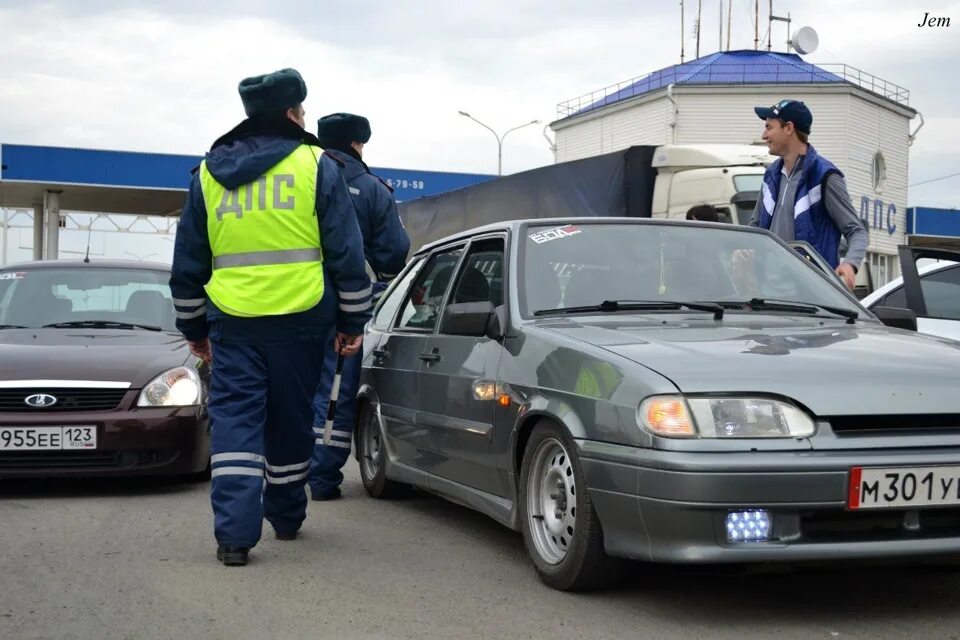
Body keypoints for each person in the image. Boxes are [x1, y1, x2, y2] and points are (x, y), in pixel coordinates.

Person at [169, 68, 372, 567]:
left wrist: (194, 330)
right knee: (290, 419)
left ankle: (234, 539)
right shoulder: (317, 167)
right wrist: (352, 323)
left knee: (236, 423)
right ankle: (285, 517)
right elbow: (346, 255)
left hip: (233, 324)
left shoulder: (208, 175)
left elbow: (188, 263)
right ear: (291, 113)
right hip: (302, 322)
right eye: (302, 111)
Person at [307, 112, 410, 501]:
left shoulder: (302, 176)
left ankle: (285, 469)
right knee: (334, 392)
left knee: (295, 389)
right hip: (348, 306)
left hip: (292, 300)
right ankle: (322, 477)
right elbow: (395, 253)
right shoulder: (371, 189)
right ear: (357, 144)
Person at [748, 99, 867, 290]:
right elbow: (754, 228)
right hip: (766, 296)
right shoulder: (771, 175)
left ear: (789, 128)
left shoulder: (825, 176)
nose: (764, 135)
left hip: (812, 298)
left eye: (769, 127)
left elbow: (857, 231)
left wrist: (850, 263)